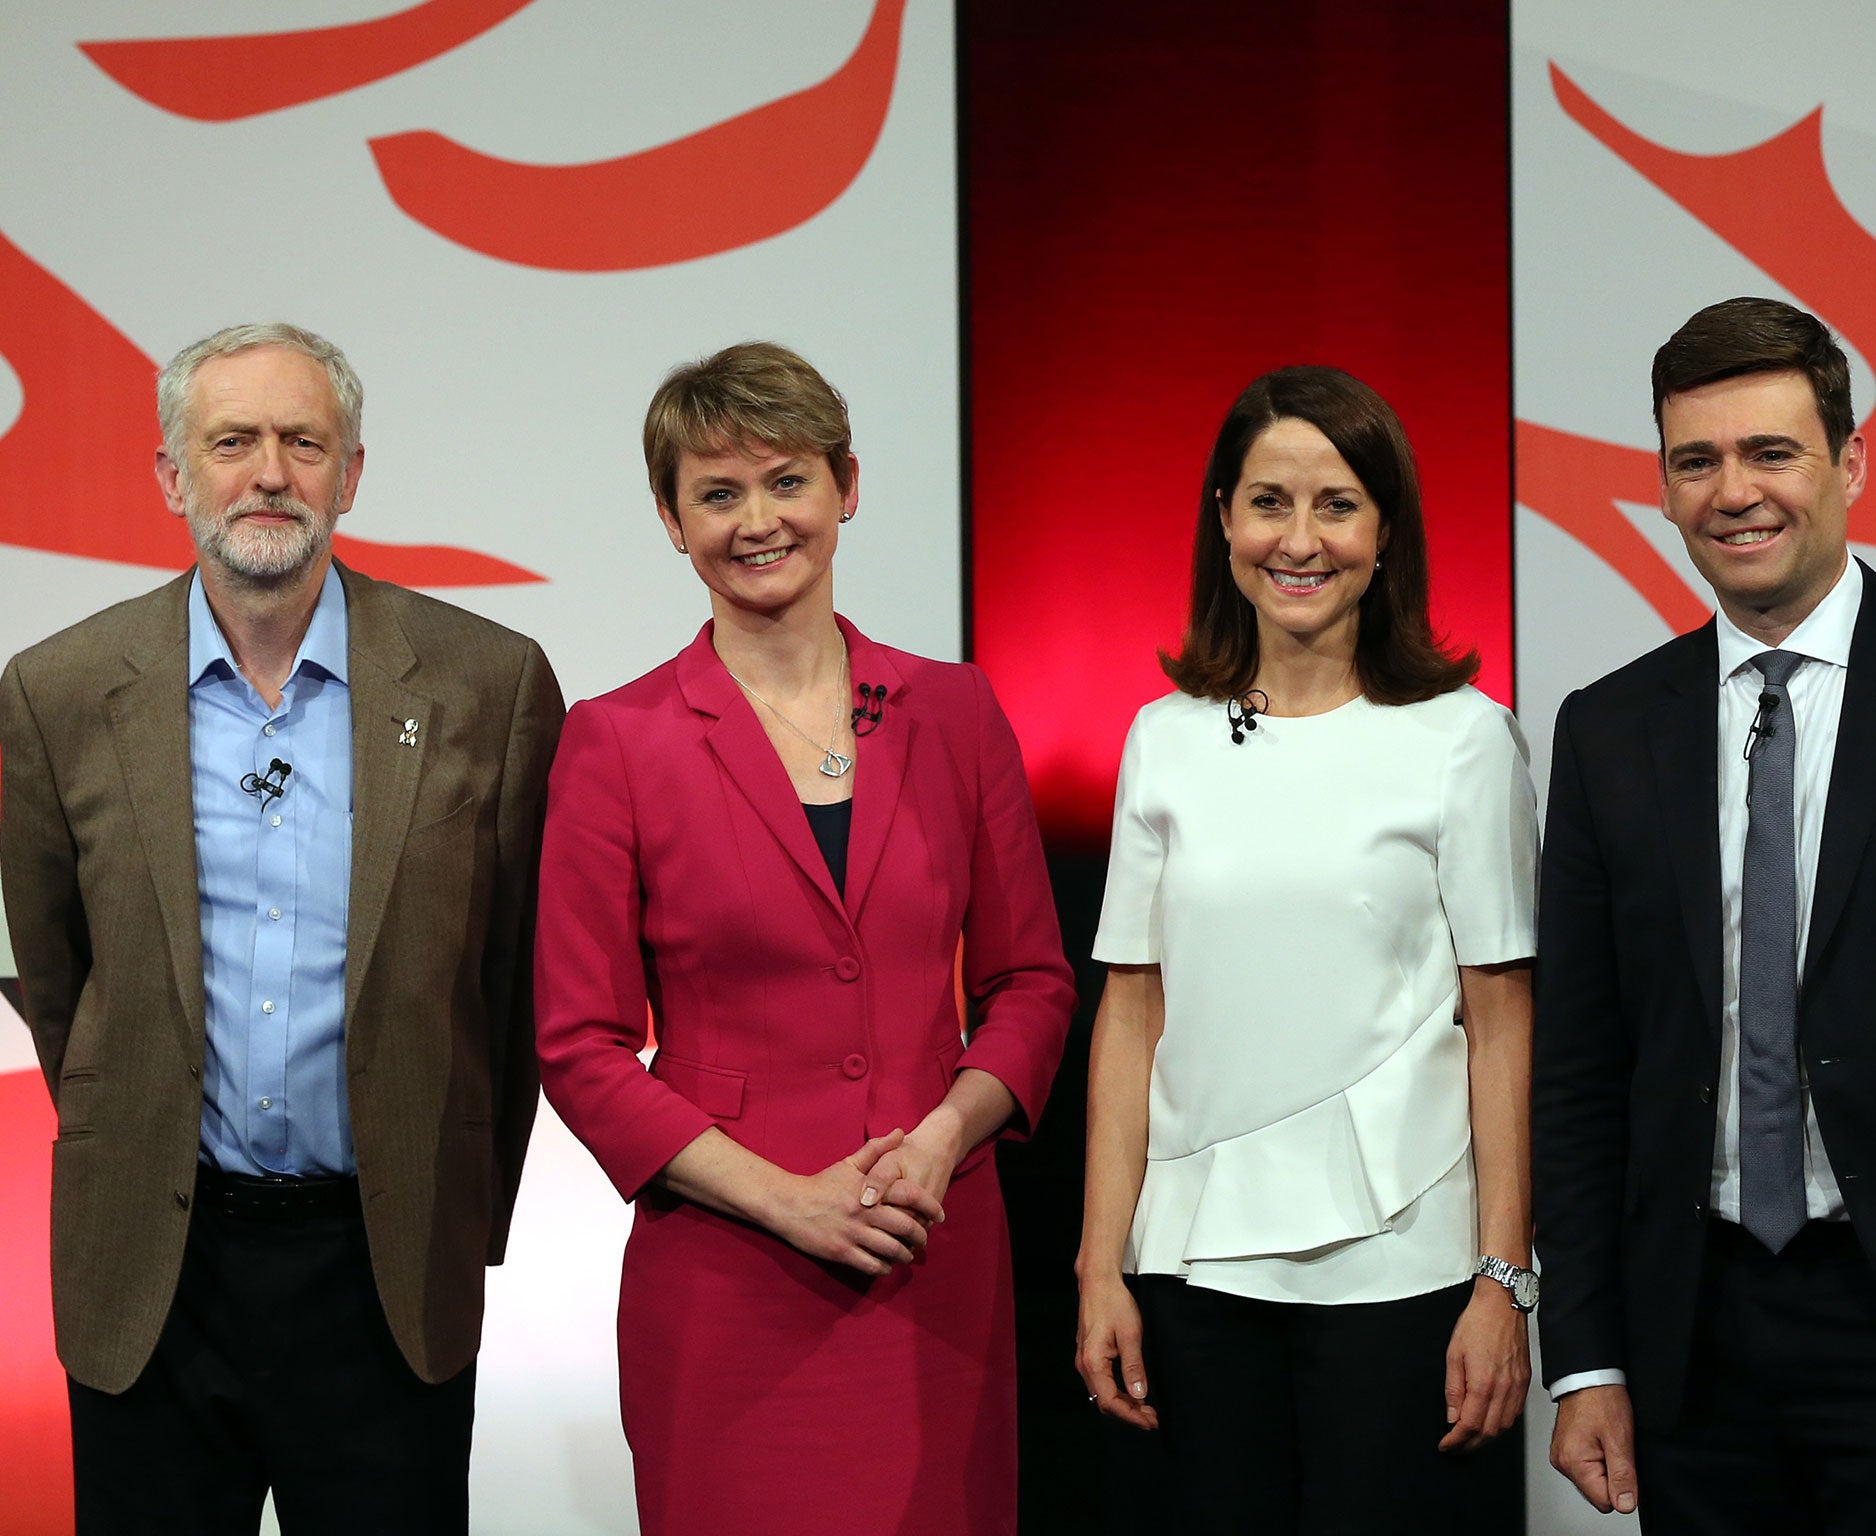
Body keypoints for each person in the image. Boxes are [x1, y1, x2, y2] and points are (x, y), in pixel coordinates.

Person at [0, 322, 564, 1533]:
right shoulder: (57, 692)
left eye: (304, 443)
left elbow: (511, 986)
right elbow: (61, 979)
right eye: (233, 441)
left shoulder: (487, 682)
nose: (270, 474)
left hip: (384, 1270)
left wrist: (465, 1207)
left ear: (350, 473)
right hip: (158, 1272)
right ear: (171, 476)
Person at [533, 341, 1074, 1536]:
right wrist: (782, 1199)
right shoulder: (616, 740)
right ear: (673, 524)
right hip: (728, 1271)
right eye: (716, 494)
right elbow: (577, 1043)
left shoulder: (953, 710)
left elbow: (1030, 981)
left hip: (930, 1244)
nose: (757, 520)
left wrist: (942, 1138)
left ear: (847, 486)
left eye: (786, 481)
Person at [1533, 296, 1876, 1532]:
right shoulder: (1606, 730)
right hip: (1693, 1339)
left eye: (1770, 452)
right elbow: (1581, 1069)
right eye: (1694, 460)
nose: (1733, 492)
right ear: (1660, 486)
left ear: (1849, 462)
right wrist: (1588, 1354)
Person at [1074, 366, 1539, 1531]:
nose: (1299, 538)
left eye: (1336, 505)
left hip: (1407, 1275)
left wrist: (1504, 1278)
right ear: (1222, 519)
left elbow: (1502, 1025)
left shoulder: (1461, 740)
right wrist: (1097, 1267)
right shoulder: (1162, 738)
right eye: (1267, 502)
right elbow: (1130, 1016)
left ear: (1386, 534)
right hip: (1191, 1274)